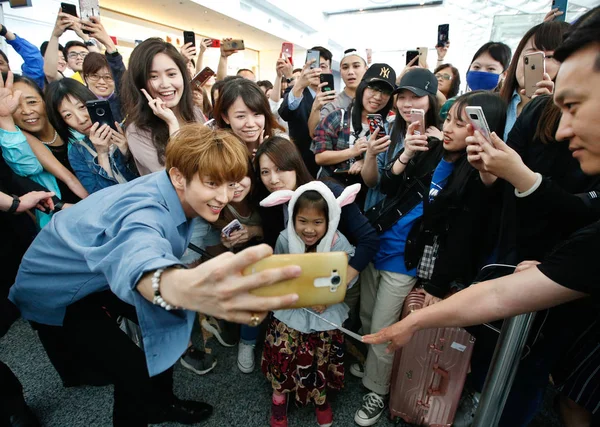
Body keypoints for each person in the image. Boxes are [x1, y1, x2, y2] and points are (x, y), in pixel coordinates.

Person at [364, 9, 600, 425]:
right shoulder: (518, 124)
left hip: (526, 277)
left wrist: (518, 177)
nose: (563, 129)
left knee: (534, 379)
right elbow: (498, 293)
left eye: (574, 104)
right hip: (517, 258)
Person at [9, 124, 303, 426]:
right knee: (132, 367)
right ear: (178, 176)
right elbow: (139, 252)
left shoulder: (174, 188)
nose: (224, 196)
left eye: (230, 184)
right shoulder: (148, 208)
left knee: (168, 319)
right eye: (213, 183)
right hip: (57, 287)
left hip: (94, 269)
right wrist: (177, 286)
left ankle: (162, 404)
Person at [254, 136, 379, 369]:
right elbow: (276, 248)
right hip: (299, 286)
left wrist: (335, 288)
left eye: (280, 169)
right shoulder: (272, 203)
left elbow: (369, 241)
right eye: (265, 172)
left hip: (338, 277)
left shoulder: (327, 193)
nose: (273, 179)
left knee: (329, 339)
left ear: (295, 163)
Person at [259, 181, 361, 427]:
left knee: (320, 359)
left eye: (318, 222)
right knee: (283, 354)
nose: (309, 229)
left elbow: (346, 277)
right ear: (293, 217)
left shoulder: (338, 242)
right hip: (290, 312)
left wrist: (328, 297)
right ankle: (279, 400)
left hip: (325, 313)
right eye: (302, 221)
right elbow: (279, 275)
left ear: (330, 220)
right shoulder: (284, 238)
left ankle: (320, 399)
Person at [0, 72, 86, 227]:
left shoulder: (74, 127)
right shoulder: (17, 142)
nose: (26, 111)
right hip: (62, 222)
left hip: (97, 205)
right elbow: (25, 167)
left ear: (45, 100)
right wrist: (5, 119)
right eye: (16, 106)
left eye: (32, 102)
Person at [311, 63, 396, 208]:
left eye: (385, 92)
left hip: (366, 197)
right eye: (373, 88)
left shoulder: (390, 126)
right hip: (330, 193)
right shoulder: (336, 117)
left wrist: (367, 160)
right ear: (362, 87)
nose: (378, 96)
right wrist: (353, 151)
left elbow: (388, 164)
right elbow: (320, 157)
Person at [362, 68, 440, 211]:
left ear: (431, 100)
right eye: (402, 97)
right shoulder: (386, 131)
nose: (406, 104)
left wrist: (441, 145)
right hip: (381, 213)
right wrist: (371, 155)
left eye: (415, 97)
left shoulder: (440, 136)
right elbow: (372, 183)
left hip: (416, 218)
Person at [121, 38, 202, 176]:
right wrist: (172, 123)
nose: (165, 84)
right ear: (140, 83)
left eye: (171, 74)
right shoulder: (137, 132)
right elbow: (180, 177)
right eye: (153, 76)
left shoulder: (194, 112)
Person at [45, 79, 137, 194]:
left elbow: (152, 174)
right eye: (68, 115)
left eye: (82, 107)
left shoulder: (128, 130)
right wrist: (102, 155)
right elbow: (101, 196)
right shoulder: (77, 153)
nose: (81, 119)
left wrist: (126, 151)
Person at [499, 21, 569, 139]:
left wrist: (550, 109)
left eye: (549, 56)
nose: (538, 63)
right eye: (531, 54)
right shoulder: (495, 104)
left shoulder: (568, 116)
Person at [279, 46, 333, 176]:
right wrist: (299, 85)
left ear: (329, 70)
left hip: (328, 168)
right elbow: (285, 112)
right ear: (305, 68)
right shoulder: (298, 94)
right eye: (313, 66)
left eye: (323, 66)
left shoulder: (332, 98)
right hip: (301, 165)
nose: (318, 71)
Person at [213, 78, 286, 155]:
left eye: (257, 114)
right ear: (225, 117)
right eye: (241, 116)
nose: (251, 124)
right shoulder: (215, 154)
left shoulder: (281, 146)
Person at [308, 48, 369, 137]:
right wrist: (315, 108)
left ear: (366, 69)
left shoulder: (374, 100)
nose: (350, 72)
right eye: (345, 67)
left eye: (356, 66)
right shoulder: (333, 104)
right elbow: (315, 134)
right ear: (340, 72)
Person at [79, 17, 126, 123]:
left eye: (108, 77)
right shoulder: (80, 103)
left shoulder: (122, 102)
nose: (101, 82)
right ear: (86, 77)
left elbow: (119, 72)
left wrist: (109, 44)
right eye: (95, 76)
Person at [44, 9, 100, 84]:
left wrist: (84, 36)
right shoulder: (68, 84)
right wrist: (55, 35)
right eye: (73, 55)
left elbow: (102, 63)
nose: (79, 58)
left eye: (83, 54)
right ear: (67, 64)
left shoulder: (104, 82)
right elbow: (50, 73)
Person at [0, 23, 45, 89]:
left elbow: (35, 61)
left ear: (8, 67)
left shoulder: (23, 88)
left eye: (0, 63)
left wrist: (5, 32)